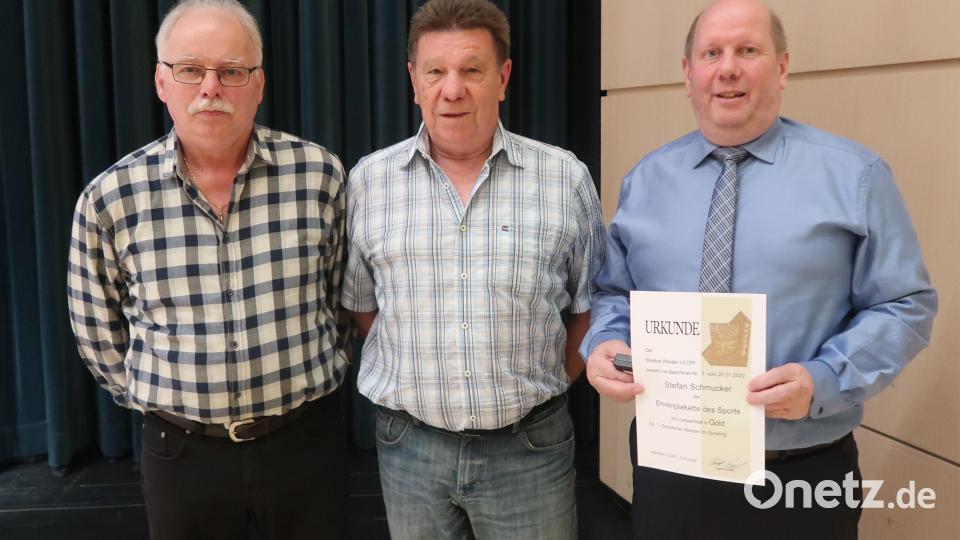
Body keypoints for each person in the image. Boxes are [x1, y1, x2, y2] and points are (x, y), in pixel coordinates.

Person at [581, 0, 937, 538]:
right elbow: (613, 290)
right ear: (688, 73)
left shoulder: (854, 176)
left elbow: (905, 304)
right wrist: (606, 341)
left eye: (748, 50)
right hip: (670, 464)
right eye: (711, 53)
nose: (728, 68)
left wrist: (826, 379)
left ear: (782, 67)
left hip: (801, 471)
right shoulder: (645, 181)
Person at [66, 1, 349, 538]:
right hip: (182, 455)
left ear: (259, 84)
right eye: (191, 69)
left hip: (305, 446)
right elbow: (97, 332)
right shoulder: (110, 199)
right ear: (161, 81)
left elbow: (340, 299)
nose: (211, 87)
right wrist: (158, 399)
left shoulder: (319, 176)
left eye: (232, 71)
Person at [341, 0, 605, 537]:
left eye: (472, 70)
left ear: (502, 78)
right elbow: (364, 308)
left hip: (529, 448)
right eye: (435, 71)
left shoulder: (564, 179)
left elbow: (592, 308)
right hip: (410, 449)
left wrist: (545, 384)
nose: (452, 89)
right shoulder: (369, 182)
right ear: (414, 81)